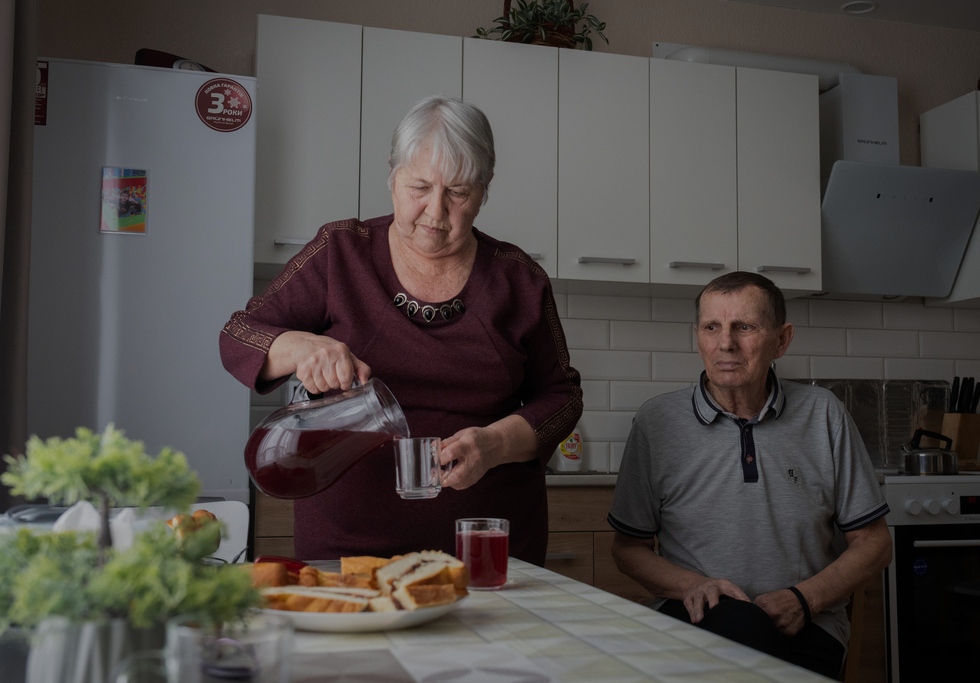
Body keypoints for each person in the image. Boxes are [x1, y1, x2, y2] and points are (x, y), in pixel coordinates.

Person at [220, 95, 582, 565]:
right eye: (419, 187)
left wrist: (493, 445)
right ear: (392, 176)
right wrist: (303, 346)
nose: (435, 212)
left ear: (485, 189)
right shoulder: (340, 252)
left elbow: (563, 398)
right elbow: (239, 333)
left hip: (487, 551)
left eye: (458, 193)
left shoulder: (519, 281)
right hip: (348, 550)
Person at [607, 271, 891, 679]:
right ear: (697, 336)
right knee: (741, 634)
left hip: (808, 624)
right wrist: (692, 586)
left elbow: (875, 542)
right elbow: (628, 549)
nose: (726, 343)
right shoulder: (657, 421)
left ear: (782, 339)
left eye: (744, 327)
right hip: (695, 619)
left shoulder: (823, 413)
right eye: (712, 327)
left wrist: (804, 598)